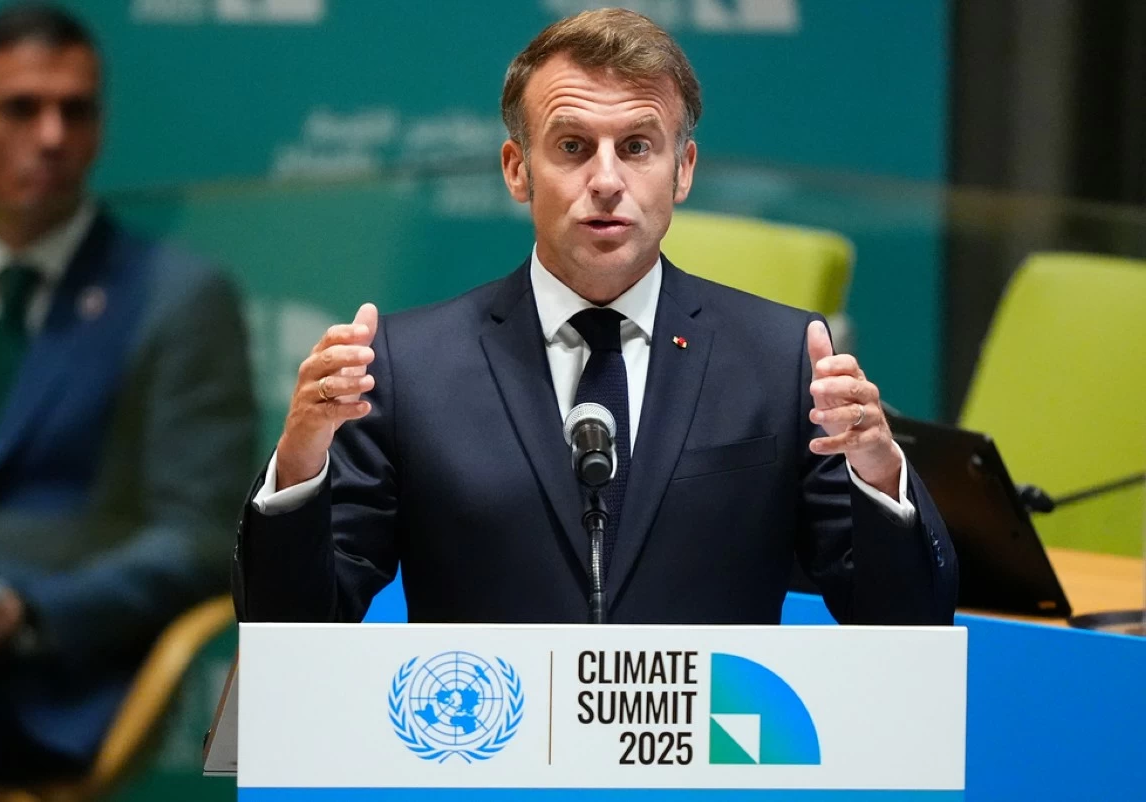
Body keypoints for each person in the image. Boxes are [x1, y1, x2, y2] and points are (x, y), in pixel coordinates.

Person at [234, 8, 956, 627]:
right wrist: (300, 463)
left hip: (706, 770)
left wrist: (879, 474)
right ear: (518, 170)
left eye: (637, 147)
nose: (607, 181)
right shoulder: (408, 366)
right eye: (573, 147)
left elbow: (905, 621)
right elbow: (294, 629)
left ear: (683, 169)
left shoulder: (779, 357)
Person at [0, 3, 256, 793]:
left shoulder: (177, 297)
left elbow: (200, 534)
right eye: (22, 109)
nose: (50, 136)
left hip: (46, 676)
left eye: (73, 111)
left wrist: (26, 613)